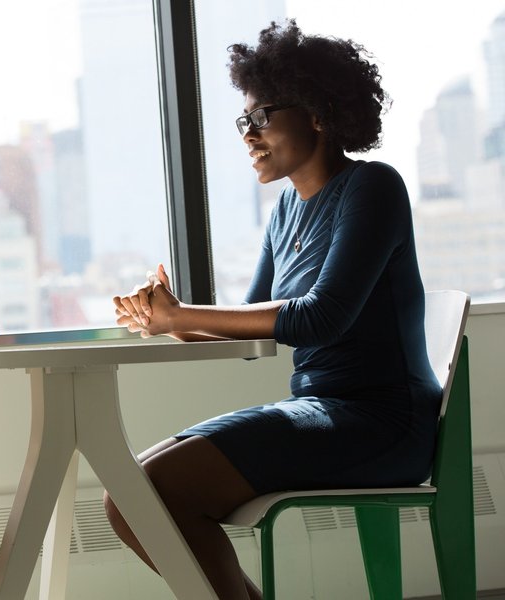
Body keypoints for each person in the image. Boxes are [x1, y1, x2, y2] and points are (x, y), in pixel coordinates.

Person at [105, 20, 442, 600]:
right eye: (245, 121)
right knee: (128, 495)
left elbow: (319, 317)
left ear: (315, 112)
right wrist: (164, 317)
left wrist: (183, 316)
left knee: (154, 492)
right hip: (321, 409)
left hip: (383, 421)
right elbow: (252, 330)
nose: (248, 135)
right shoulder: (286, 208)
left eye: (261, 118)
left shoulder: (373, 188)